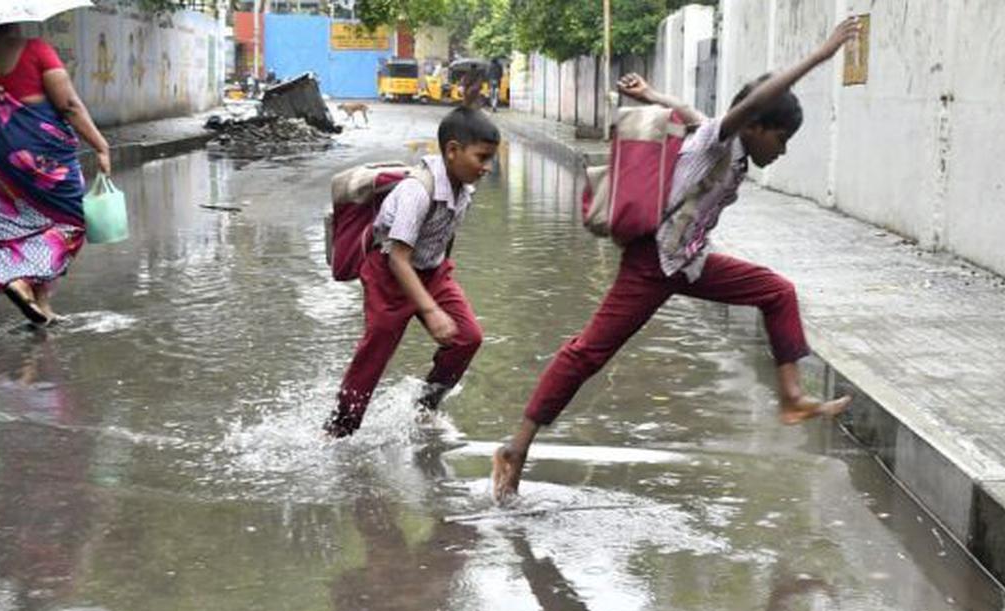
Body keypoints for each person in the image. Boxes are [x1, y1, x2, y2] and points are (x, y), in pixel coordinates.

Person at [491, 17, 863, 500]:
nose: (784, 150)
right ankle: (516, 447)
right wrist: (821, 53)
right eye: (781, 138)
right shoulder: (719, 140)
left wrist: (652, 95)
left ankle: (792, 397)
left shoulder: (721, 139)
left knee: (777, 291)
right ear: (754, 126)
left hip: (687, 263)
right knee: (588, 352)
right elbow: (740, 107)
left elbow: (688, 110)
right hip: (651, 264)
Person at [324, 107, 500, 437]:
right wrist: (431, 311)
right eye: (482, 158)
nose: (487, 168)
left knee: (468, 337)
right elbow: (397, 259)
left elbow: (442, 238)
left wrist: (439, 287)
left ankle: (425, 406)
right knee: (375, 351)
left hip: (431, 272)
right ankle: (339, 429)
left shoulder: (464, 190)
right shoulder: (416, 192)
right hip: (390, 274)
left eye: (490, 159)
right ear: (452, 150)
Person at [0, 23, 110, 325]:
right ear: (18, 19)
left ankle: (40, 306)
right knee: (73, 219)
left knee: (14, 225)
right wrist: (100, 145)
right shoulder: (37, 50)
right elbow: (68, 105)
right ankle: (20, 280)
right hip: (38, 154)